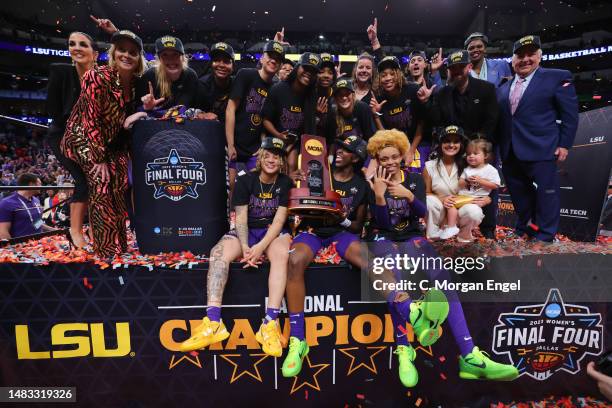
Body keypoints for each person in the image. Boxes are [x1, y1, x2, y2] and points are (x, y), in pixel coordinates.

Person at [366, 129, 518, 387]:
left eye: (394, 157)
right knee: (396, 278)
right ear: (377, 160)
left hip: (414, 236)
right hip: (385, 238)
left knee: (445, 281)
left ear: (403, 155)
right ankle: (404, 350)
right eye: (383, 158)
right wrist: (380, 196)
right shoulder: (373, 183)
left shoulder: (413, 179)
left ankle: (469, 355)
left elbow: (425, 214)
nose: (390, 162)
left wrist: (409, 195)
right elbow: (382, 224)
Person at [179, 137, 293, 358]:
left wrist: (259, 248)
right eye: (267, 154)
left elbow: (279, 221)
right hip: (246, 231)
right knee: (218, 252)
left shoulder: (285, 183)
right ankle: (213, 322)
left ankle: (269, 324)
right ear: (260, 157)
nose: (271, 159)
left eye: (276, 156)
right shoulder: (245, 181)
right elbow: (240, 219)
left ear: (281, 162)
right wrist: (245, 246)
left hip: (271, 232)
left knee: (281, 254)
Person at [283, 136, 371, 377]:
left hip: (340, 234)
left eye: (347, 150)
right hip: (312, 233)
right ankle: (298, 339)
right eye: (339, 147)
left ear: (356, 158)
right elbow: (296, 200)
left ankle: (408, 308)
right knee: (294, 261)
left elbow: (356, 227)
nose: (340, 151)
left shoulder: (362, 186)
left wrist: (339, 217)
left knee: (369, 259)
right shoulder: (317, 170)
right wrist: (294, 181)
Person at [61, 30, 147, 257]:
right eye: (121, 50)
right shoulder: (96, 76)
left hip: (113, 143)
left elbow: (124, 122)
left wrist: (139, 113)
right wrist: (97, 158)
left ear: (139, 57)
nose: (126, 55)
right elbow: (91, 119)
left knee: (119, 187)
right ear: (113, 53)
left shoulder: (137, 84)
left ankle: (120, 247)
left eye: (132, 52)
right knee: (102, 187)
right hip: (84, 140)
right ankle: (106, 253)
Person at [496, 35, 579, 242]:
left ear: (539, 56)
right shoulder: (502, 88)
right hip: (510, 151)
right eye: (519, 56)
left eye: (530, 54)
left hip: (542, 148)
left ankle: (545, 235)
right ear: (512, 60)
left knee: (546, 195)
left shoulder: (556, 77)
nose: (525, 59)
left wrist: (564, 144)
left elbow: (570, 115)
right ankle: (527, 228)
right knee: (519, 196)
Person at [426, 50, 500, 238]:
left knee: (484, 189)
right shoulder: (443, 93)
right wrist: (428, 101)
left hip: (476, 149)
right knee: (450, 188)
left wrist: (473, 149)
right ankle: (446, 225)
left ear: (469, 67)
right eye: (453, 68)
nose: (457, 71)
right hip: (452, 147)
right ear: (448, 70)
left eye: (461, 67)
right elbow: (437, 121)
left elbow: (491, 122)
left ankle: (487, 230)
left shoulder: (486, 89)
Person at [46, 31, 100, 248]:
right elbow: (53, 111)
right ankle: (75, 231)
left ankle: (96, 231)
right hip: (63, 136)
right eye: (72, 44)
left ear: (94, 53)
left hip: (93, 139)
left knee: (97, 183)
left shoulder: (102, 77)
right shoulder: (61, 73)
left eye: (82, 44)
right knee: (84, 180)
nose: (76, 47)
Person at [226, 40, 284, 195]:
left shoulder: (276, 88)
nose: (273, 60)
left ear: (279, 65)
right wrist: (230, 145)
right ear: (261, 58)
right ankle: (229, 220)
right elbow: (231, 108)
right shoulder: (246, 74)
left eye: (277, 59)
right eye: (270, 56)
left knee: (255, 187)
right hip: (235, 144)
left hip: (255, 149)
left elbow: (267, 121)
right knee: (231, 185)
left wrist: (263, 146)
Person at [424, 126, 489, 241]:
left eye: (456, 141)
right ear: (440, 143)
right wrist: (442, 198)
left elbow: (484, 189)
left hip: (460, 212)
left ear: (461, 144)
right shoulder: (429, 166)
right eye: (447, 141)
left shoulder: (470, 165)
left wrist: (487, 199)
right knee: (429, 201)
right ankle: (433, 234)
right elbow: (426, 193)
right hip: (440, 212)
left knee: (474, 211)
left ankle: (463, 235)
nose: (451, 145)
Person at [262, 52, 320, 171]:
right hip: (273, 140)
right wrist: (279, 135)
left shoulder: (312, 95)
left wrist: (318, 115)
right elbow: (266, 120)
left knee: (292, 164)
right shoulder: (278, 89)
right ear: (298, 67)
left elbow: (308, 129)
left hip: (297, 144)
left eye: (313, 71)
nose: (309, 73)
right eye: (306, 67)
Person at [370, 56, 429, 173]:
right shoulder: (378, 97)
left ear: (398, 74)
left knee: (415, 172)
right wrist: (376, 114)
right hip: (393, 144)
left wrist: (411, 150)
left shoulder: (412, 89)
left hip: (417, 141)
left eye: (392, 74)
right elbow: (384, 134)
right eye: (383, 75)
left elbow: (421, 124)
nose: (388, 78)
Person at [441, 139, 500, 240]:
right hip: (463, 196)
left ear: (485, 156)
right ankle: (451, 226)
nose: (471, 156)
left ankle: (451, 227)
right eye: (468, 154)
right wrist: (467, 181)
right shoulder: (467, 169)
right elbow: (459, 183)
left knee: (452, 204)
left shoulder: (491, 170)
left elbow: (495, 185)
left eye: (475, 153)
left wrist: (481, 181)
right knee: (450, 203)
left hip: (476, 198)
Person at [137, 35, 198, 111]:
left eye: (175, 54)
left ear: (182, 57)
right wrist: (146, 108)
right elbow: (138, 109)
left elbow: (198, 108)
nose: (171, 60)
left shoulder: (190, 76)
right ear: (159, 59)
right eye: (165, 55)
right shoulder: (150, 76)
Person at [0, 173, 50, 240]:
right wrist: (13, 249)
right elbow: (3, 232)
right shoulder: (7, 203)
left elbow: (37, 223)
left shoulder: (36, 200)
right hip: (20, 247)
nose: (41, 186)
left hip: (38, 245)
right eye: (39, 183)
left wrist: (54, 229)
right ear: (31, 184)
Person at [196, 42, 235, 122]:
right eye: (216, 60)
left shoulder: (238, 84)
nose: (221, 65)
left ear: (233, 66)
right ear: (211, 64)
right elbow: (192, 112)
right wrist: (202, 114)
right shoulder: (202, 85)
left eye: (226, 61)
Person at [331, 79, 376, 143]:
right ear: (335, 99)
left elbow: (371, 138)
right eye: (340, 95)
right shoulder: (333, 114)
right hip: (341, 150)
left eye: (347, 94)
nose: (344, 98)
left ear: (353, 95)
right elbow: (332, 141)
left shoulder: (362, 108)